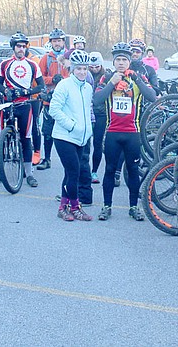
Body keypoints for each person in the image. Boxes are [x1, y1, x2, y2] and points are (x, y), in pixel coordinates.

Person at [93, 42, 157, 221]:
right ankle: (106, 206)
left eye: (124, 60)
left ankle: (133, 207)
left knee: (133, 169)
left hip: (132, 133)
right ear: (113, 62)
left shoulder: (137, 77)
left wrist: (136, 79)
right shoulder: (106, 78)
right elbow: (97, 100)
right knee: (110, 170)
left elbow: (152, 97)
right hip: (112, 132)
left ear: (129, 61)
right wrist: (111, 84)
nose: (121, 63)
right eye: (118, 60)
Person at [0, 31, 46, 187]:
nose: (21, 49)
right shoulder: (5, 64)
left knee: (25, 138)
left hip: (25, 105)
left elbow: (41, 86)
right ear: (13, 47)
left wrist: (27, 91)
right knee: (3, 138)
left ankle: (29, 174)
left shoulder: (32, 65)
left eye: (24, 46)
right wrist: (5, 91)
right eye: (18, 46)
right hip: (8, 105)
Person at [48, 49, 93, 221]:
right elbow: (54, 109)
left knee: (69, 173)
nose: (82, 72)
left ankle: (63, 207)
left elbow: (86, 111)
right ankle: (75, 207)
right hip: (64, 136)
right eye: (78, 69)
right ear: (72, 69)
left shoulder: (88, 87)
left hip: (81, 137)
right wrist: (71, 126)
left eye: (84, 69)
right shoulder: (64, 85)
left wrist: (87, 131)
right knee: (74, 171)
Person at [37, 27, 69, 171]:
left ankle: (69, 160)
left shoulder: (69, 57)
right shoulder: (46, 58)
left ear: (63, 42)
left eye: (59, 41)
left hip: (67, 100)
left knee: (67, 130)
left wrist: (64, 79)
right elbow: (38, 78)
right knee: (48, 131)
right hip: (50, 99)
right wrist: (52, 79)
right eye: (55, 41)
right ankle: (47, 158)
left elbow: (77, 74)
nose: (57, 44)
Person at [88, 51, 108, 184]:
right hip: (86, 113)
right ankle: (83, 170)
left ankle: (94, 171)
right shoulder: (84, 74)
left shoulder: (106, 77)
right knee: (84, 143)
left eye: (97, 67)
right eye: (92, 67)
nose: (94, 69)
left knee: (97, 144)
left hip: (101, 114)